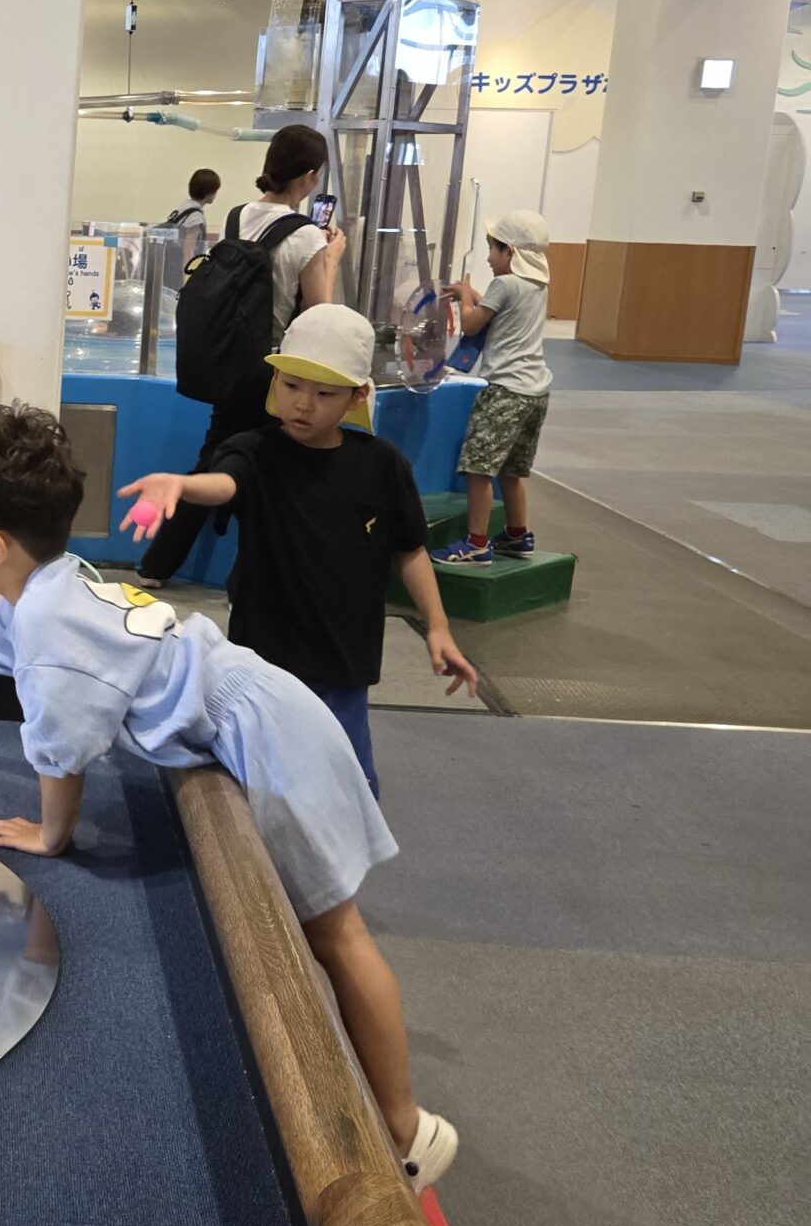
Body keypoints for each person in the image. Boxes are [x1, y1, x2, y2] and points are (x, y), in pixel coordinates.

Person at [0, 403, 456, 1189]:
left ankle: (406, 1131)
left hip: (269, 735)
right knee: (324, 936)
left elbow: (61, 751)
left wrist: (50, 835)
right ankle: (390, 1111)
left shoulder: (53, 630)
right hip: (262, 709)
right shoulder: (49, 590)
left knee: (337, 936)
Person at [116, 303, 477, 796]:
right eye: (291, 386)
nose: (303, 404)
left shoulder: (382, 465)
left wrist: (437, 627)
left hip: (342, 665)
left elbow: (409, 550)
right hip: (263, 660)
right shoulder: (254, 451)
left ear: (357, 396)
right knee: (259, 780)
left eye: (324, 393)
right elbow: (225, 484)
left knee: (344, 786)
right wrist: (182, 485)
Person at [139, 121, 346, 584]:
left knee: (215, 460)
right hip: (276, 373)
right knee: (276, 478)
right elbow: (319, 314)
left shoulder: (238, 215)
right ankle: (246, 581)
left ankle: (157, 565)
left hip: (230, 363)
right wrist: (330, 259)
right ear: (311, 177)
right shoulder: (307, 237)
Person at [441, 209, 552, 565]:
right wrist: (470, 293)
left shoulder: (504, 285)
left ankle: (476, 543)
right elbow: (497, 307)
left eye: (492, 249)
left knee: (479, 469)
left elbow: (473, 324)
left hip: (504, 390)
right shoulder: (536, 286)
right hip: (535, 393)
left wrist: (463, 299)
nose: (489, 258)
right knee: (512, 470)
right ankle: (518, 535)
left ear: (511, 253)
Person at [158, 166, 221, 271]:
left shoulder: (183, 209)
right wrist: (188, 279)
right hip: (177, 273)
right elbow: (188, 252)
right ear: (209, 192)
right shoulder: (195, 218)